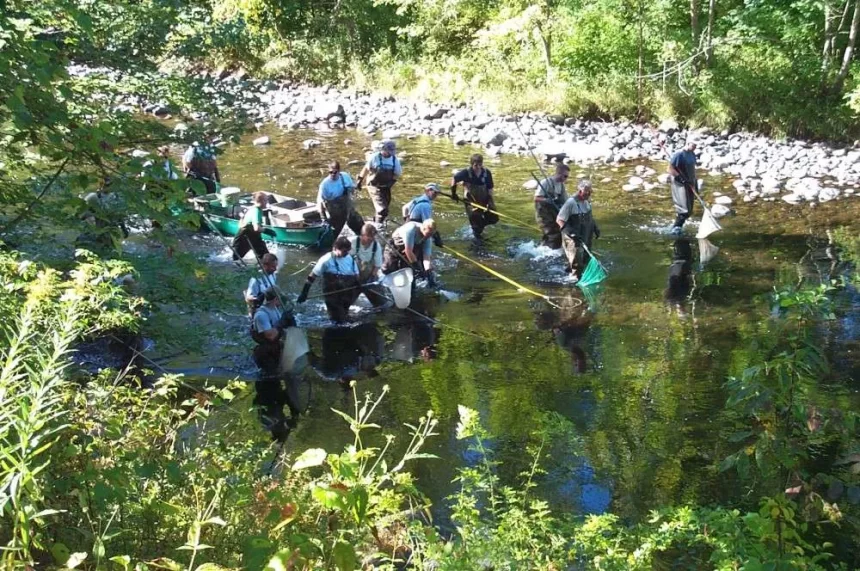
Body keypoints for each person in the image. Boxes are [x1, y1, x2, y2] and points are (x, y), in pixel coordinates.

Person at [251, 288, 301, 439]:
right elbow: (271, 335)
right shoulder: (261, 315)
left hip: (277, 352)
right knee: (271, 382)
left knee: (283, 381)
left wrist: (294, 414)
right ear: (275, 299)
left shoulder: (276, 310)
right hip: (265, 355)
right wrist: (281, 323)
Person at [297, 236, 362, 323]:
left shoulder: (349, 258)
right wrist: (304, 292)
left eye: (348, 251)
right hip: (332, 295)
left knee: (345, 315)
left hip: (347, 294)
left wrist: (358, 285)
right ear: (335, 248)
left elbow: (356, 275)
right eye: (344, 251)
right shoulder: (326, 260)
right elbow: (312, 276)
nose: (346, 253)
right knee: (339, 321)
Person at [556, 179, 600, 279]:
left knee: (585, 259)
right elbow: (559, 220)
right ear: (580, 191)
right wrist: (571, 233)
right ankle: (574, 282)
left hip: (585, 235)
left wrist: (595, 228)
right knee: (576, 263)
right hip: (573, 239)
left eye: (590, 192)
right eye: (587, 192)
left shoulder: (587, 202)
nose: (589, 194)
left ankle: (577, 273)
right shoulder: (570, 203)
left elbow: (590, 218)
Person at [450, 154, 499, 239]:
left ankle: (480, 226)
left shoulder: (487, 173)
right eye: (476, 165)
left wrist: (491, 202)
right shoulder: (466, 172)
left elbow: (490, 188)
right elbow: (454, 179)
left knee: (494, 218)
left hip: (484, 199)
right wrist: (454, 194)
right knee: (475, 218)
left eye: (480, 165)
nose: (478, 167)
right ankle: (477, 239)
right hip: (470, 201)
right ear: (472, 164)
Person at [317, 160, 364, 239]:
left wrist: (356, 186)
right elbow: (320, 202)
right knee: (333, 234)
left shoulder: (344, 176)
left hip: (347, 208)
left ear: (339, 171)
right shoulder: (325, 184)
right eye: (330, 172)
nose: (332, 174)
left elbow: (352, 188)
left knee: (360, 226)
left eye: (334, 172)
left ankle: (362, 240)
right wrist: (323, 218)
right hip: (335, 212)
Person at [357, 139, 402, 224]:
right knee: (382, 209)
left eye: (390, 151)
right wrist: (360, 180)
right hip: (373, 186)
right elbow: (366, 169)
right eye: (386, 151)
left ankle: (374, 223)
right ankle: (378, 227)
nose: (388, 153)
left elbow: (397, 174)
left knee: (385, 208)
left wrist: (391, 182)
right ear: (382, 149)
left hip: (386, 187)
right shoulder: (375, 157)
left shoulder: (394, 160)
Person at [382, 219, 437, 286]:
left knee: (409, 273)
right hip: (395, 246)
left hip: (412, 249)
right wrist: (416, 266)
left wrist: (428, 271)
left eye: (431, 234)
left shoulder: (428, 238)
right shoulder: (411, 229)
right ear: (423, 228)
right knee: (388, 269)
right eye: (428, 234)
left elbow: (426, 257)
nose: (429, 237)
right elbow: (408, 251)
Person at [350, 224, 388, 307]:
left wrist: (371, 278)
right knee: (345, 304)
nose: (372, 239)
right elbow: (344, 260)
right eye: (369, 237)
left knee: (382, 304)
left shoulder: (376, 246)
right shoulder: (352, 242)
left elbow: (378, 265)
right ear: (362, 235)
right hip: (353, 279)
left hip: (369, 278)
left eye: (373, 236)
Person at [534, 163, 570, 249]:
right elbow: (536, 198)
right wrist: (547, 200)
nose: (565, 179)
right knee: (551, 233)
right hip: (543, 214)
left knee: (558, 231)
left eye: (567, 177)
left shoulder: (561, 185)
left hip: (553, 213)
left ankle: (545, 248)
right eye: (565, 176)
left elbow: (565, 201)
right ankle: (545, 252)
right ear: (559, 173)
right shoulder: (546, 182)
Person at [668, 141, 698, 235]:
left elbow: (692, 169)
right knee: (683, 210)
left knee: (689, 210)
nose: (694, 147)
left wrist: (695, 185)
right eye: (693, 144)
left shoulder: (692, 154)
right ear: (688, 143)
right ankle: (675, 229)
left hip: (690, 182)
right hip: (680, 184)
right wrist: (680, 178)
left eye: (696, 145)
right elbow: (670, 169)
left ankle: (678, 227)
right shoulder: (679, 154)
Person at [402, 182, 443, 247]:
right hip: (416, 231)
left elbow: (404, 208)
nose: (436, 195)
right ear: (428, 190)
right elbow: (428, 225)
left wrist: (406, 221)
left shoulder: (417, 199)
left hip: (409, 226)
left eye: (437, 193)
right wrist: (436, 237)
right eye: (434, 192)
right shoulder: (426, 205)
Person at [232, 191, 270, 261]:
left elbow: (241, 222)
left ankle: (268, 269)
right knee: (236, 260)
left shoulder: (253, 208)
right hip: (244, 237)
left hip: (253, 236)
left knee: (265, 257)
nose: (267, 202)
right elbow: (256, 228)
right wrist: (267, 231)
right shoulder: (256, 211)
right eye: (266, 200)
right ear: (261, 201)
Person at [244, 253, 279, 318]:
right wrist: (259, 298)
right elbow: (248, 298)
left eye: (276, 266)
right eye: (273, 267)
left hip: (271, 307)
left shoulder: (273, 275)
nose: (275, 269)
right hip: (261, 312)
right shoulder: (255, 280)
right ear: (265, 266)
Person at [664, 238, 693, 316]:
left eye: (682, 311)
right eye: (684, 311)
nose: (684, 309)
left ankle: (679, 233)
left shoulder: (678, 298)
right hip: (678, 265)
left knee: (682, 240)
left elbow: (677, 280)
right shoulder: (677, 298)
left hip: (681, 265)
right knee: (681, 242)